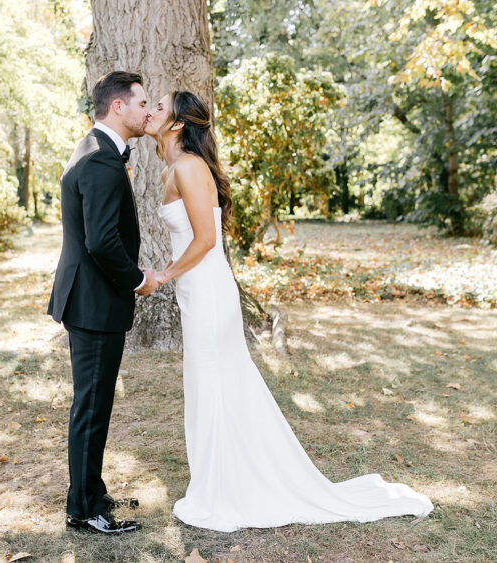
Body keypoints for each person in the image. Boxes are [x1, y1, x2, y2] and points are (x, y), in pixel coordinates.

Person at [145, 90, 433, 532]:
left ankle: (220, 491)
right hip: (199, 290)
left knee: (212, 387)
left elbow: (205, 240)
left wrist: (164, 275)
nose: (151, 112)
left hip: (206, 290)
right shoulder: (177, 166)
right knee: (213, 387)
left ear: (179, 124)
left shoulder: (186, 167)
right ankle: (221, 479)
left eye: (159, 107)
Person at [46, 71, 158, 535]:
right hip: (95, 304)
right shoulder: (100, 162)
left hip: (88, 300)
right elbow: (102, 242)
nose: (148, 111)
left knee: (94, 403)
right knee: (91, 407)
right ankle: (84, 510)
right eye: (142, 103)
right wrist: (138, 280)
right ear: (118, 107)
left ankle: (91, 489)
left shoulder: (92, 147)